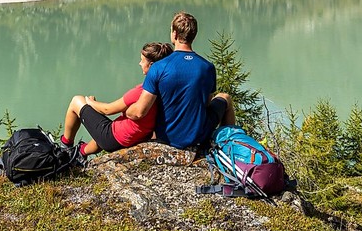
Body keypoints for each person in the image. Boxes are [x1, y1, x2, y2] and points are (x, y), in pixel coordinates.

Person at [125, 11, 235, 149]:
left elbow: (139, 112)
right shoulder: (207, 67)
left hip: (167, 138)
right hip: (199, 136)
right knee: (225, 98)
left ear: (175, 34)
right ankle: (227, 146)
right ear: (193, 36)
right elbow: (206, 105)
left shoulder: (159, 67)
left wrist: (127, 111)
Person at [59, 41, 173, 157]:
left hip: (115, 138)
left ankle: (65, 146)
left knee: (76, 101)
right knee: (102, 126)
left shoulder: (142, 93)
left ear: (152, 65)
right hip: (135, 137)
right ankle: (80, 153)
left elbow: (107, 110)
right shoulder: (165, 90)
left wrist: (90, 102)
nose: (139, 63)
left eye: (142, 60)